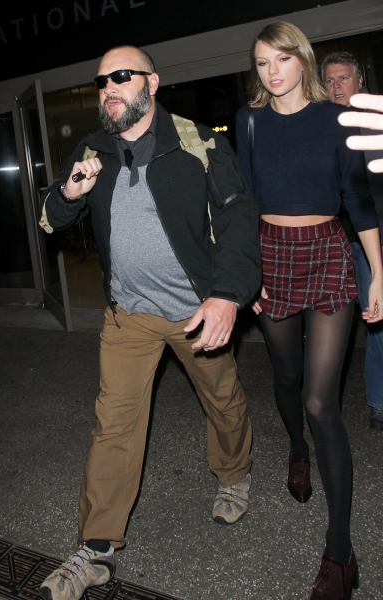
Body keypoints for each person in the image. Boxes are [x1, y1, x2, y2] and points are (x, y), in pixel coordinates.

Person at [38, 45, 261, 600]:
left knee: (222, 399)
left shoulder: (197, 142)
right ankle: (95, 549)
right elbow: (52, 217)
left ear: (152, 83)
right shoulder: (92, 148)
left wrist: (227, 294)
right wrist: (68, 192)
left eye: (121, 76)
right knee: (113, 424)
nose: (109, 89)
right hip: (129, 315)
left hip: (195, 310)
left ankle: (234, 473)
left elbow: (238, 218)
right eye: (101, 81)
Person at [235, 22, 383, 600]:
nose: (271, 72)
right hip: (271, 254)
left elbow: (358, 201)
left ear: (302, 59)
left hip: (326, 252)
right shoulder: (249, 122)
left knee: (322, 402)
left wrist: (379, 272)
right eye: (261, 62)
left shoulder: (334, 120)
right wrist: (246, 275)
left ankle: (340, 552)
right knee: (287, 377)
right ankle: (297, 449)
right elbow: (244, 204)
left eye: (281, 59)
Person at [321, 52, 383, 430]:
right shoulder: (323, 130)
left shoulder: (376, 121)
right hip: (360, 240)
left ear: (360, 81)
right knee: (377, 316)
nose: (336, 86)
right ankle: (379, 401)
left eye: (343, 78)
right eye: (329, 80)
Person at [339, 93, 383, 173]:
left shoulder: (378, 121)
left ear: (359, 85)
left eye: (344, 79)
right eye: (329, 82)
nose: (336, 86)